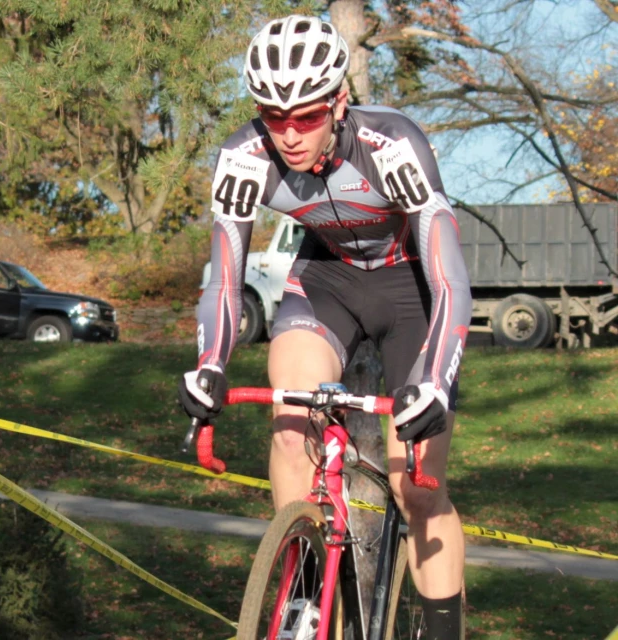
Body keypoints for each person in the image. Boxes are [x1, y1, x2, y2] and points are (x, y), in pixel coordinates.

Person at [179, 15, 472, 638]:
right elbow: (225, 281)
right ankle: (304, 602)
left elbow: (450, 278)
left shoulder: (393, 145)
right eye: (272, 116)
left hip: (411, 288)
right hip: (326, 280)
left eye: (306, 117)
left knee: (415, 485)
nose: (288, 135)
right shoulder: (242, 157)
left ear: (339, 102)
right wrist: (209, 366)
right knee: (290, 429)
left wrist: (436, 381)